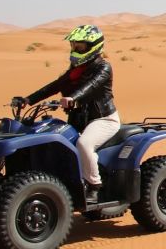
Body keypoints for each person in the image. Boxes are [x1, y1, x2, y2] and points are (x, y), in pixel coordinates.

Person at [17, 25, 119, 203]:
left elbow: (92, 86)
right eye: (74, 45)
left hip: (103, 119)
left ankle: (94, 186)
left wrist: (73, 97)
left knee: (84, 144)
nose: (75, 49)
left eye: (80, 46)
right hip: (79, 119)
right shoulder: (75, 70)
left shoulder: (103, 67)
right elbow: (54, 86)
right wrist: (28, 99)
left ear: (93, 47)